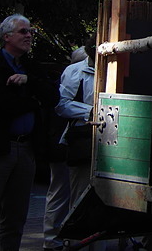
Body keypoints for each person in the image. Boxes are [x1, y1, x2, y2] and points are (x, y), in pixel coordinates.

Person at [0, 14, 59, 251]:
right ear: (6, 37)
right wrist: (34, 101)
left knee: (16, 216)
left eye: (30, 32)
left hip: (26, 148)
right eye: (23, 31)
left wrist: (28, 82)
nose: (29, 36)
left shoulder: (31, 67)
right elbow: (0, 104)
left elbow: (53, 96)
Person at [55, 37, 105, 250]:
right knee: (80, 197)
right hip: (84, 138)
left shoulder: (114, 66)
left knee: (104, 196)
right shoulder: (75, 71)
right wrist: (92, 111)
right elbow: (62, 105)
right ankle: (75, 243)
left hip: (108, 140)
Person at [42, 49, 85, 251]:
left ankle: (56, 238)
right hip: (63, 143)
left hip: (67, 142)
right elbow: (62, 108)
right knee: (60, 191)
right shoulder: (72, 77)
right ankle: (53, 239)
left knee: (63, 192)